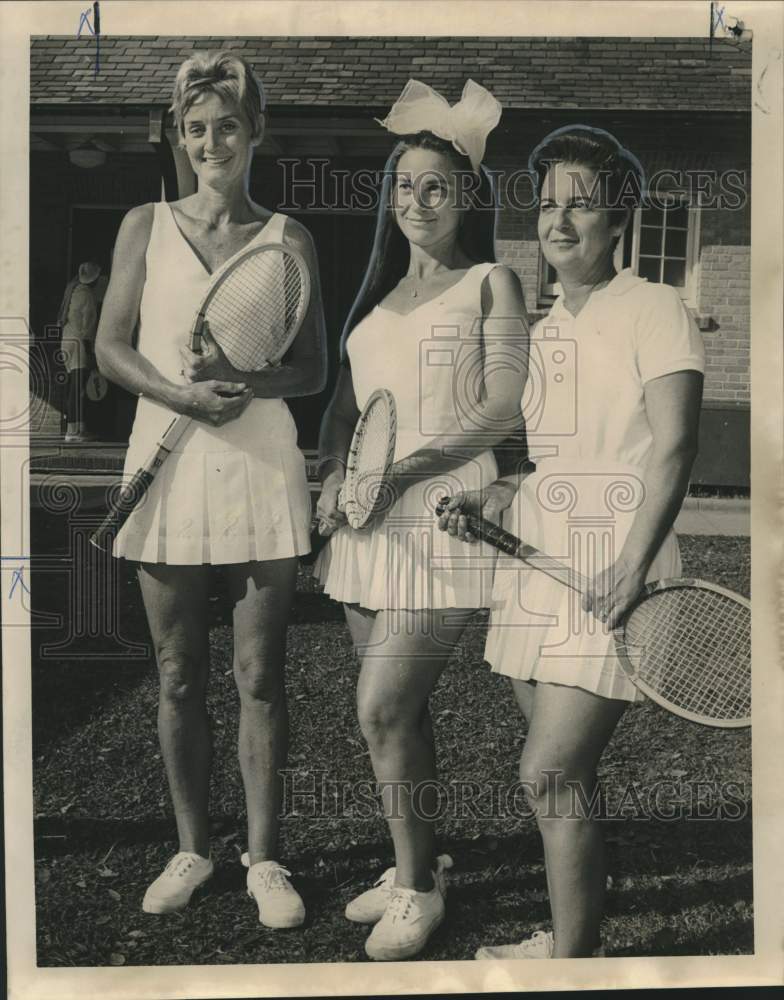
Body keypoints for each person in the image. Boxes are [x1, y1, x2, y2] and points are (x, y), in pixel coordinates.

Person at [439, 125, 705, 959]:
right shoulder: (546, 331)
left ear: (617, 217)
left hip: (619, 566)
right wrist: (493, 493)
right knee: (562, 780)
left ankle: (570, 963)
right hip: (539, 572)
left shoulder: (656, 307)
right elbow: (550, 466)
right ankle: (569, 939)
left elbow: (675, 446)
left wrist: (630, 566)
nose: (559, 222)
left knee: (547, 772)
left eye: (580, 205)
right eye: (548, 204)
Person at [94, 51, 327, 928]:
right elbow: (113, 345)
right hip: (167, 458)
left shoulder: (288, 237)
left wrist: (243, 383)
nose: (210, 142)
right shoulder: (141, 225)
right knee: (179, 674)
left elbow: (307, 370)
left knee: (260, 675)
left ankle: (266, 859)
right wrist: (181, 394)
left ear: (255, 131)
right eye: (195, 129)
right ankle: (193, 848)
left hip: (262, 464)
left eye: (227, 125)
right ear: (178, 136)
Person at [314, 80, 529, 961]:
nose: (418, 200)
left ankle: (415, 893)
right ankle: (421, 865)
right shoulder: (374, 301)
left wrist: (401, 472)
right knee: (401, 718)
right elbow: (347, 412)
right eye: (406, 185)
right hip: (365, 529)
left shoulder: (494, 280)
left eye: (437, 185)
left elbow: (504, 405)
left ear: (467, 194)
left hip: (443, 520)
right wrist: (332, 478)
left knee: (381, 706)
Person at [60, 261, 101, 442]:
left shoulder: (74, 291)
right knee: (78, 388)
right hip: (78, 343)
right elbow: (84, 321)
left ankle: (77, 428)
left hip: (68, 341)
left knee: (75, 387)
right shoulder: (86, 294)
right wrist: (88, 344)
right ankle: (74, 432)